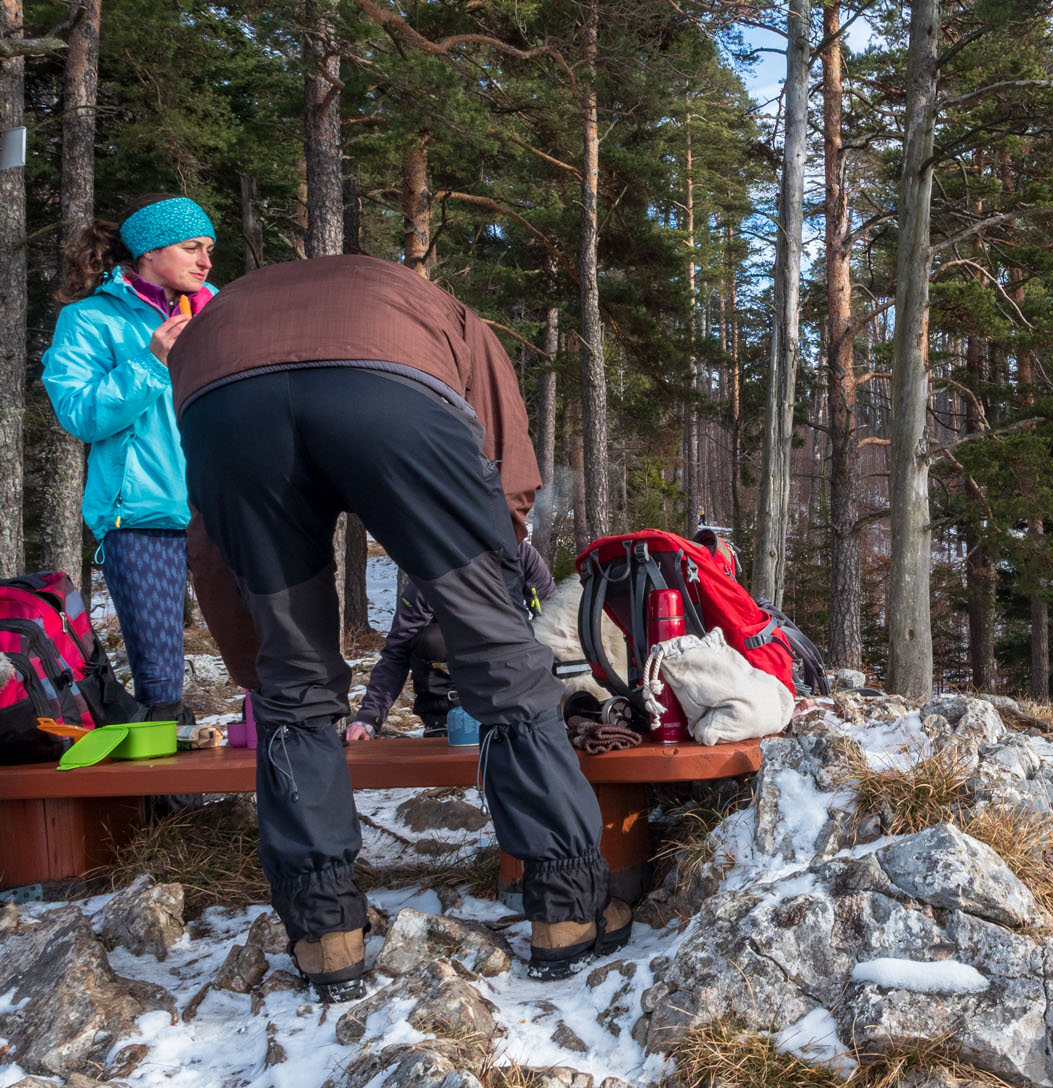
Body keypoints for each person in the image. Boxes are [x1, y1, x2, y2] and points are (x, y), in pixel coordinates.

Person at [168, 255, 626, 1001]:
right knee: (504, 665)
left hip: (224, 398)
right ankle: (565, 913)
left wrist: (263, 674)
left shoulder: (216, 321)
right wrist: (487, 580)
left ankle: (325, 936)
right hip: (392, 392)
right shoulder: (444, 312)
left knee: (294, 683)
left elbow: (213, 550)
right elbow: (505, 467)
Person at [42, 194, 218, 723]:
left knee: (263, 653)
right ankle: (170, 804)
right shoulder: (90, 319)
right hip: (141, 511)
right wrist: (151, 362)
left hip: (227, 506)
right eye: (191, 247)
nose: (205, 261)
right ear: (146, 251)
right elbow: (80, 415)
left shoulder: (223, 311)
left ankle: (270, 780)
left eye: (209, 248)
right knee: (160, 673)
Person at [345, 539, 556, 740]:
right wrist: (368, 718)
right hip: (452, 675)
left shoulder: (521, 554)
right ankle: (442, 721)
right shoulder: (435, 565)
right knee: (432, 640)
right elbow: (397, 651)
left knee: (536, 636)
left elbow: (555, 621)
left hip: (514, 680)